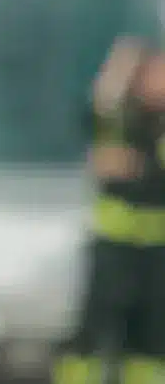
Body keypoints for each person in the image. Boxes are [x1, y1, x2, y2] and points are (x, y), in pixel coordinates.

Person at [54, 39, 165, 384]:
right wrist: (116, 72)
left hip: (156, 253)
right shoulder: (121, 117)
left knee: (149, 343)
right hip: (113, 247)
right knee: (93, 332)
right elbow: (95, 118)